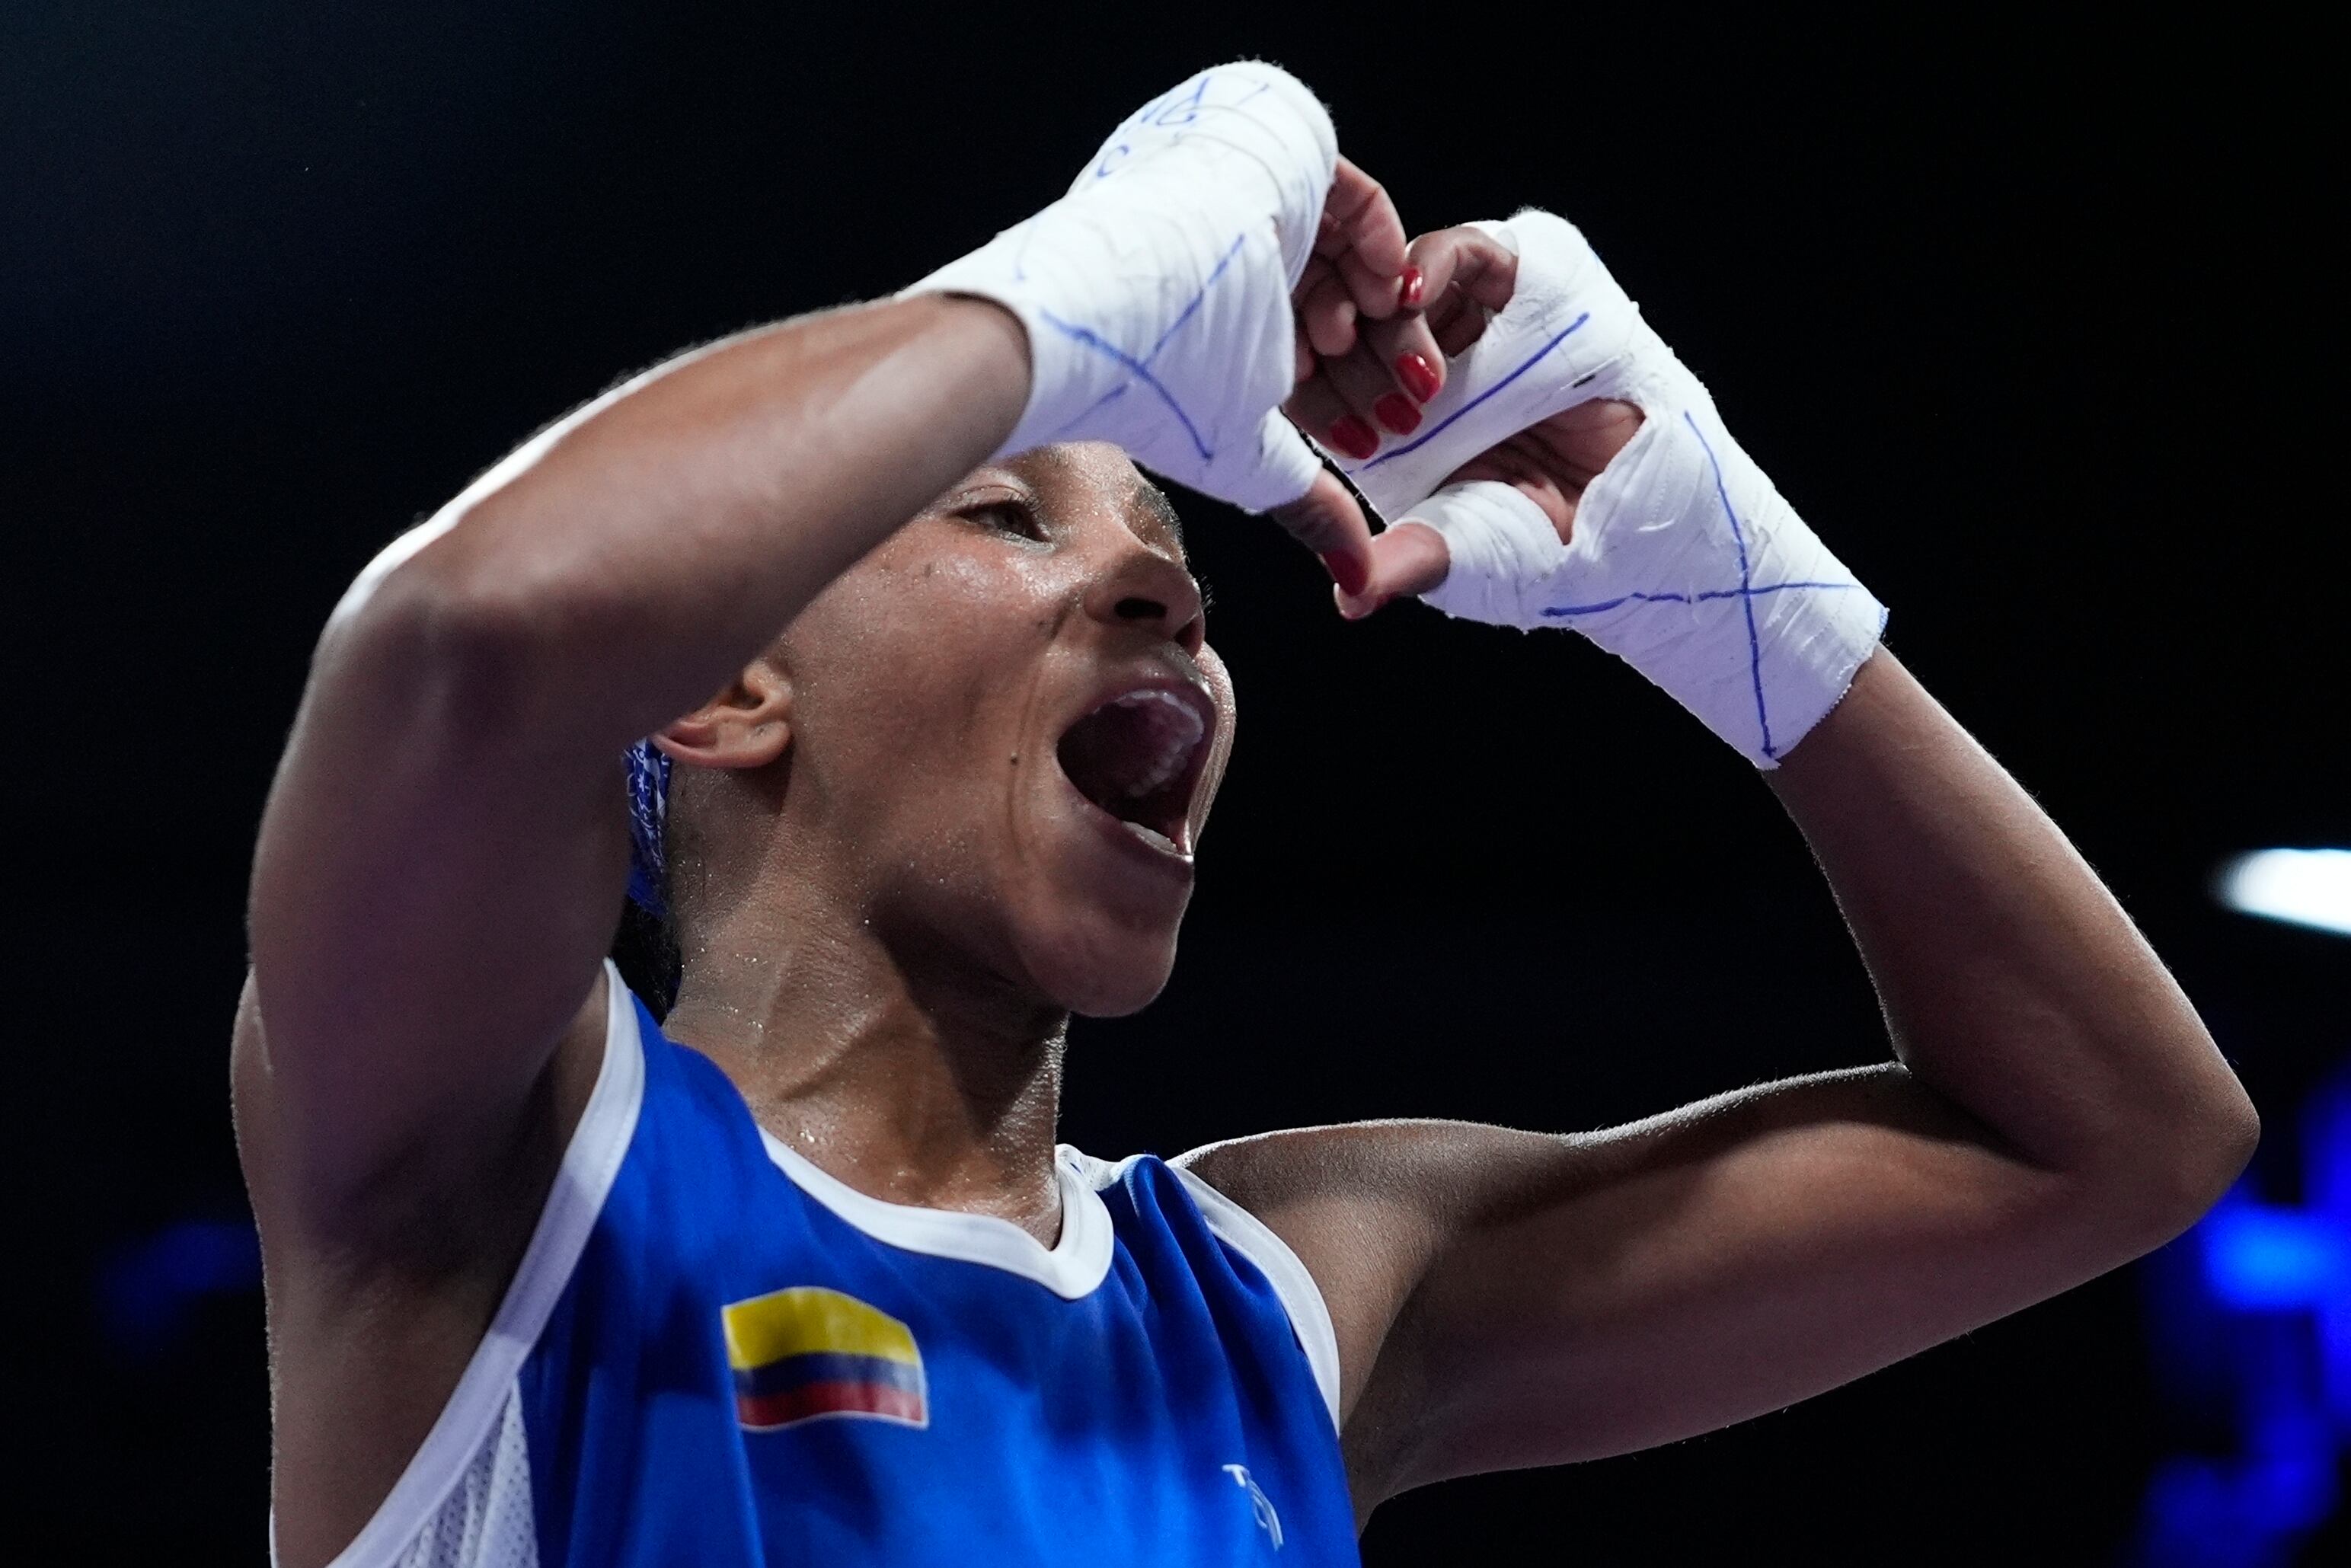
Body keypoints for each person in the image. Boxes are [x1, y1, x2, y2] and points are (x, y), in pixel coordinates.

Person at [234, 62, 2257, 1568]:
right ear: (723, 680)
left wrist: (1737, 593)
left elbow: (2116, 1134)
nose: (1167, 587)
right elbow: (465, 644)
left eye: (1173, 550)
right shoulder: (503, 1167)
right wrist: (1089, 291)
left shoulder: (1291, 1285)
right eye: (1005, 511)